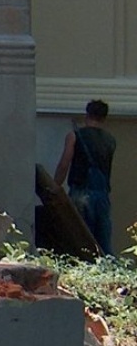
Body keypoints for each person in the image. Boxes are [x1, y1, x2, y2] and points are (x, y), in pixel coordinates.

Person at [55, 99, 117, 254]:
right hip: (102, 195)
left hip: (80, 192)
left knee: (79, 239)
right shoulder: (111, 141)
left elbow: (64, 163)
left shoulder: (74, 136)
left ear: (87, 114)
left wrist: (55, 186)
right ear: (104, 118)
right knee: (103, 242)